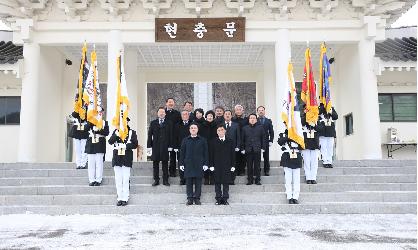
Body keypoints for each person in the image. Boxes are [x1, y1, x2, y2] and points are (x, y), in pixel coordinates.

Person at [108, 117, 138, 206]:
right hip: (117, 157)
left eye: (125, 122)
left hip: (127, 157)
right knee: (118, 179)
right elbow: (110, 141)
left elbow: (135, 144)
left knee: (125, 179)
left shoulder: (132, 132)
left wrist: (126, 146)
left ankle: (125, 197)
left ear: (127, 123)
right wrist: (116, 135)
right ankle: (119, 198)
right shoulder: (116, 131)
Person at [179, 123, 209, 205]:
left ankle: (197, 198)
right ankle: (190, 198)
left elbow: (206, 153)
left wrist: (206, 164)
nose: (193, 129)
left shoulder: (202, 140)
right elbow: (182, 153)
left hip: (199, 164)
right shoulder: (185, 140)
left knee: (198, 183)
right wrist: (181, 164)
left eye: (195, 128)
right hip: (188, 164)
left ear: (197, 129)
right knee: (188, 182)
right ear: (189, 130)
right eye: (191, 128)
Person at [209, 124, 235, 205]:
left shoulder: (230, 141)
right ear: (217, 132)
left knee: (226, 182)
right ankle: (218, 199)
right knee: (217, 182)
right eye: (219, 130)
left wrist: (233, 165)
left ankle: (225, 199)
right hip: (216, 165)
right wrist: (211, 165)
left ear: (225, 131)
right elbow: (211, 154)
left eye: (222, 130)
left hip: (227, 165)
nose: (220, 131)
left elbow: (232, 154)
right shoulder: (213, 141)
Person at [147, 107, 173, 186]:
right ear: (157, 114)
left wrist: (170, 146)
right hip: (155, 146)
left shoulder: (169, 123)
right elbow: (150, 135)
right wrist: (149, 146)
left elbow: (171, 135)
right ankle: (156, 180)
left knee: (165, 164)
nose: (161, 113)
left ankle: (165, 180)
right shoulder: (153, 123)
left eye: (163, 112)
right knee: (155, 164)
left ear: (165, 113)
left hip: (165, 146)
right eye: (160, 112)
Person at [277, 126, 303, 204]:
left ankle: (295, 197)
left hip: (296, 156)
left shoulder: (299, 135)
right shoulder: (283, 134)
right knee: (288, 179)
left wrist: (294, 137)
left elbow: (302, 146)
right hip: (287, 157)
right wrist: (289, 137)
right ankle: (289, 196)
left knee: (296, 179)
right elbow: (280, 142)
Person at [83, 111, 109, 186]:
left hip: (100, 143)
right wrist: (91, 122)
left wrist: (99, 129)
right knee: (91, 163)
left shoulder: (104, 122)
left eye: (99, 113)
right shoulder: (90, 121)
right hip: (91, 143)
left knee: (99, 163)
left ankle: (98, 179)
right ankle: (91, 180)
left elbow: (106, 132)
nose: (98, 114)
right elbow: (85, 129)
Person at [241, 114, 265, 185]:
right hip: (248, 149)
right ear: (249, 120)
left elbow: (263, 138)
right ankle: (250, 180)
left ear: (256, 120)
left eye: (254, 118)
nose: (252, 119)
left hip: (257, 149)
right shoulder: (245, 128)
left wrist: (263, 147)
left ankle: (258, 180)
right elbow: (242, 139)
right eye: (251, 118)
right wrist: (242, 148)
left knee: (257, 166)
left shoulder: (260, 128)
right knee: (249, 165)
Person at [301, 106, 323, 184]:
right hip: (306, 143)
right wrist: (306, 115)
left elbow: (321, 129)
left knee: (314, 162)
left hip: (314, 143)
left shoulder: (317, 118)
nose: (308, 110)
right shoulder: (302, 118)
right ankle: (308, 178)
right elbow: (301, 124)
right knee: (307, 161)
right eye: (307, 109)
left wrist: (314, 125)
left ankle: (313, 178)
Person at [165, 98, 182, 177]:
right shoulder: (163, 112)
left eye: (172, 102)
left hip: (174, 137)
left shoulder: (177, 113)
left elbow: (179, 125)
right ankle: (165, 172)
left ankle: (172, 171)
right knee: (164, 155)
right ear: (166, 103)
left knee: (173, 155)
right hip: (165, 136)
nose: (171, 103)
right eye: (169, 102)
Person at [318, 103, 338, 168]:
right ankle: (325, 161)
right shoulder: (320, 108)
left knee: (330, 147)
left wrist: (330, 111)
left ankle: (329, 161)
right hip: (323, 132)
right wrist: (323, 107)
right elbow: (318, 113)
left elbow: (335, 117)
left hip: (330, 132)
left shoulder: (331, 108)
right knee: (324, 147)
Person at [174, 110, 191, 185]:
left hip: (190, 148)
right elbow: (175, 136)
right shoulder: (177, 125)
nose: (185, 116)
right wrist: (175, 146)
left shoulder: (192, 124)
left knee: (189, 163)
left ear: (188, 115)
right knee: (181, 163)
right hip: (180, 148)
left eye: (186, 114)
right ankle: (182, 179)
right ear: (181, 116)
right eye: (183, 114)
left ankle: (188, 178)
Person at [223, 110, 241, 185]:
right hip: (223, 148)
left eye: (229, 114)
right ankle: (225, 179)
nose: (227, 115)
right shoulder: (220, 125)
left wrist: (238, 146)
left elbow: (238, 136)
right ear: (224, 116)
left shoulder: (235, 125)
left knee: (232, 164)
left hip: (233, 148)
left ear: (231, 116)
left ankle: (232, 179)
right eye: (226, 114)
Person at [257, 106, 274, 176]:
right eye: (259, 110)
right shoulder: (255, 120)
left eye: (262, 110)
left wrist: (271, 140)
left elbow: (271, 132)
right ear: (257, 112)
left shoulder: (268, 121)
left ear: (264, 111)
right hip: (257, 141)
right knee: (257, 157)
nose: (261, 111)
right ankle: (257, 170)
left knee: (266, 157)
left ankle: (266, 170)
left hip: (266, 141)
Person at [232, 104, 248, 176]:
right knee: (235, 156)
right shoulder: (232, 120)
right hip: (235, 140)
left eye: (240, 110)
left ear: (242, 111)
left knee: (243, 156)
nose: (238, 111)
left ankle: (242, 170)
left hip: (244, 140)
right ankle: (235, 170)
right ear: (235, 111)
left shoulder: (246, 120)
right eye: (237, 110)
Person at [204, 110, 218, 185]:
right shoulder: (202, 125)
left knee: (213, 162)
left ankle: (212, 178)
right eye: (208, 116)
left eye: (211, 116)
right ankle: (206, 178)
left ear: (213, 117)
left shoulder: (216, 125)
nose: (210, 117)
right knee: (206, 162)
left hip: (214, 146)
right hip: (205, 146)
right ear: (206, 117)